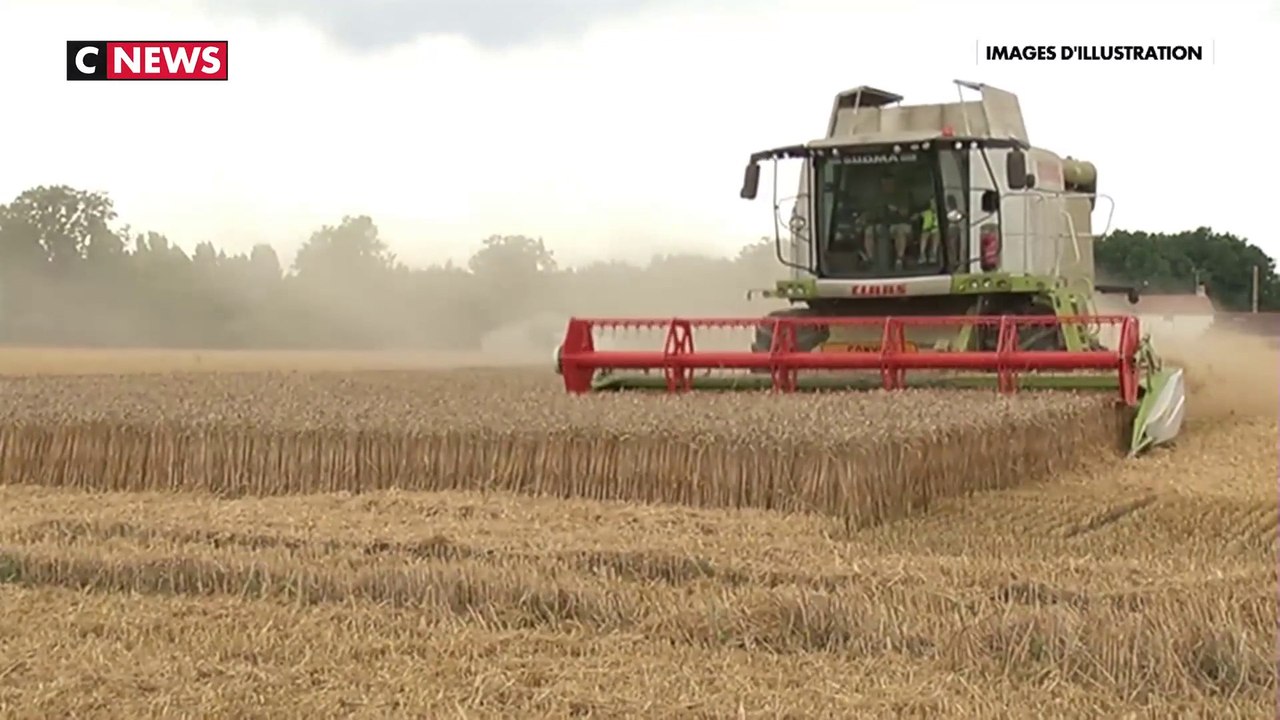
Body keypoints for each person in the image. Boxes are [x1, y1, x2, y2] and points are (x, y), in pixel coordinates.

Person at [861, 176, 914, 270]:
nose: (886, 185)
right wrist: (864, 217)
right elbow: (870, 212)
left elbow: (905, 212)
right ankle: (870, 259)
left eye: (889, 183)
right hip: (882, 223)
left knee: (900, 231)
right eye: (884, 183)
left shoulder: (901, 195)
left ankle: (899, 259)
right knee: (869, 231)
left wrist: (895, 209)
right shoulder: (878, 197)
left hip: (900, 223)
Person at [918, 197, 940, 264]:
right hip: (927, 230)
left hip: (937, 230)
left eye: (934, 203)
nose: (932, 205)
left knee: (936, 234)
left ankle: (933, 254)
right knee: (924, 235)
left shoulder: (940, 212)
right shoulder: (926, 212)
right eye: (931, 203)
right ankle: (922, 254)